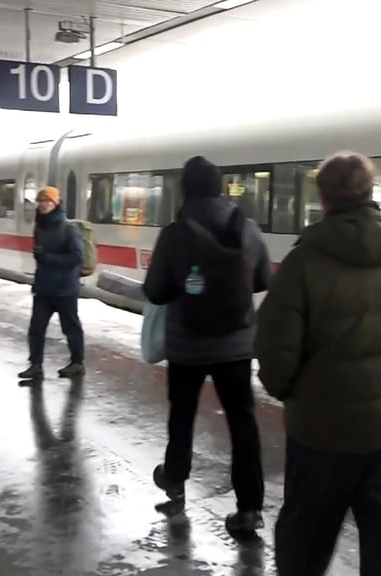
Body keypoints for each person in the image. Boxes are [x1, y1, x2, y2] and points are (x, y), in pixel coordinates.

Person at [255, 151, 381, 576]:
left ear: (324, 199)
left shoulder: (302, 265)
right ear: (370, 192)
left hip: (320, 431)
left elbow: (274, 351)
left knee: (306, 534)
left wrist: (292, 391)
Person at [142, 156, 272, 538]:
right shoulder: (247, 229)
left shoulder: (174, 233)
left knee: (181, 416)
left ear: (185, 189)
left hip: (188, 346)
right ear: (220, 187)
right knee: (242, 424)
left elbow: (155, 291)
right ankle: (249, 508)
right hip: (236, 345)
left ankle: (175, 482)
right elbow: (263, 279)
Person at [17, 186, 85, 380]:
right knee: (36, 328)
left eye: (48, 201)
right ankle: (35, 365)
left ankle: (77, 362)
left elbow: (77, 257)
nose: (44, 205)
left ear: (56, 204)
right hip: (44, 288)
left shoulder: (68, 228)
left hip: (65, 289)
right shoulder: (39, 227)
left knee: (70, 327)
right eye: (41, 201)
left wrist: (48, 257)